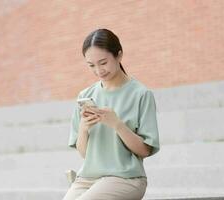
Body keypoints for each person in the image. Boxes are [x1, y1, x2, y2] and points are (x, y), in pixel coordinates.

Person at [62, 28, 160, 200]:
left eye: (103, 62)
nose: (99, 70)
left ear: (119, 55)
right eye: (91, 65)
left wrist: (117, 124)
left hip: (126, 178)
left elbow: (145, 150)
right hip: (88, 178)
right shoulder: (85, 96)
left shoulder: (140, 94)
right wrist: (84, 129)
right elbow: (85, 154)